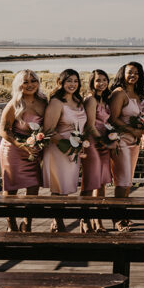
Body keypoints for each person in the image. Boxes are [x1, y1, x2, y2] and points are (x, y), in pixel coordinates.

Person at [0, 69, 47, 232]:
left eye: (33, 80)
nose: (30, 84)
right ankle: (11, 224)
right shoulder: (14, 104)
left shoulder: (43, 100)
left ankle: (27, 224)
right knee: (10, 189)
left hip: (33, 149)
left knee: (33, 188)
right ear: (19, 84)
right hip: (13, 149)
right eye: (25, 82)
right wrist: (21, 145)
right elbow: (4, 131)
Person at [42, 68, 87, 232]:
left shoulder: (78, 101)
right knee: (58, 187)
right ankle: (58, 222)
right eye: (69, 81)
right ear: (60, 83)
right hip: (59, 150)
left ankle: (55, 222)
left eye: (75, 81)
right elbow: (48, 130)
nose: (72, 84)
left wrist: (78, 145)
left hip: (74, 151)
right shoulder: (56, 102)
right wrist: (68, 146)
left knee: (66, 188)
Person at [108, 62, 144, 231]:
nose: (133, 75)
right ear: (122, 74)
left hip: (135, 142)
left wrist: (143, 134)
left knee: (128, 180)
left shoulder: (138, 94)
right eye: (129, 72)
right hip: (122, 141)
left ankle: (124, 215)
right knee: (121, 180)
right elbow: (113, 118)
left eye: (136, 73)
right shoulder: (119, 93)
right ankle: (117, 219)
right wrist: (131, 130)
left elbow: (141, 118)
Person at [81, 69, 114, 232]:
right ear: (92, 83)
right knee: (89, 183)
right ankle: (85, 220)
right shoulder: (91, 99)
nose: (101, 83)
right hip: (93, 143)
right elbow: (90, 125)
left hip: (104, 143)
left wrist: (110, 139)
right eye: (98, 80)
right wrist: (103, 141)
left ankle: (98, 222)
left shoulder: (105, 100)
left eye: (104, 79)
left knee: (101, 184)